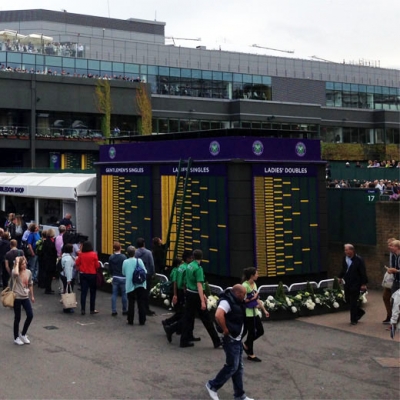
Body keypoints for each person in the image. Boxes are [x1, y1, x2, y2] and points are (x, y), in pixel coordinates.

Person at [205, 284, 254, 400]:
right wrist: (225, 329)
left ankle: (240, 395)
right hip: (231, 339)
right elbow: (218, 315)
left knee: (238, 367)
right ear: (237, 294)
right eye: (243, 295)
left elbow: (244, 303)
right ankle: (212, 385)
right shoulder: (226, 301)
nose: (244, 297)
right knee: (232, 366)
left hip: (237, 338)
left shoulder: (236, 300)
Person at [179, 249, 221, 348]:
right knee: (207, 319)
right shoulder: (198, 269)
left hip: (189, 293)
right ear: (202, 257)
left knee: (188, 318)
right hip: (196, 295)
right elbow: (199, 285)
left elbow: (187, 281)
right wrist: (203, 300)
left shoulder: (189, 266)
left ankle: (183, 340)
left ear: (193, 256)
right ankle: (216, 341)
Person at [242, 267, 269, 362]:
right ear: (252, 275)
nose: (258, 275)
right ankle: (251, 354)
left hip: (255, 312)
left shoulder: (255, 284)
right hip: (248, 313)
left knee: (260, 331)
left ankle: (246, 344)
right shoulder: (244, 286)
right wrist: (253, 298)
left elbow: (257, 299)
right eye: (256, 274)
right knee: (251, 332)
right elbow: (243, 300)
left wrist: (264, 310)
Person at [338, 244, 368, 325]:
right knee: (347, 299)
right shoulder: (344, 258)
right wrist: (340, 277)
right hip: (347, 281)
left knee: (353, 301)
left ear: (352, 250)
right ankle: (360, 312)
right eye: (345, 250)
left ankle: (353, 319)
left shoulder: (359, 260)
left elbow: (363, 272)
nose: (346, 252)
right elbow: (344, 269)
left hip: (356, 283)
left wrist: (363, 283)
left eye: (347, 250)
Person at [12, 256, 35, 345]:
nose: (24, 265)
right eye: (22, 264)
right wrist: (17, 262)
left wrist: (32, 296)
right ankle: (16, 337)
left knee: (30, 315)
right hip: (17, 297)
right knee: (17, 317)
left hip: (25, 297)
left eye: (25, 263)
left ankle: (23, 334)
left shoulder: (28, 272)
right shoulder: (15, 271)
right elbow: (16, 274)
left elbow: (30, 284)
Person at [122, 246, 147, 326]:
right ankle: (142, 320)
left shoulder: (125, 262)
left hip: (130, 285)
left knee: (131, 303)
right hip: (140, 284)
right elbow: (145, 271)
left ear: (127, 253)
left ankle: (130, 320)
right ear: (134, 253)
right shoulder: (139, 260)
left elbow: (123, 273)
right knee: (141, 302)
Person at [75, 241, 99, 315]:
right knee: (92, 292)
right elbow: (97, 265)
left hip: (83, 274)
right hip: (92, 274)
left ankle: (83, 309)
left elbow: (77, 263)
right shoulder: (94, 254)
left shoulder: (81, 255)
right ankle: (92, 309)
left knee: (83, 292)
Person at [135, 238, 156, 316]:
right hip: (147, 275)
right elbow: (151, 264)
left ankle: (141, 308)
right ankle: (146, 309)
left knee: (139, 292)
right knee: (146, 293)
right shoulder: (148, 252)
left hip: (138, 275)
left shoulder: (135, 253)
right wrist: (153, 273)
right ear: (144, 244)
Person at [108, 241, 127, 317]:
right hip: (123, 277)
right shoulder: (123, 257)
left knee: (114, 294)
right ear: (120, 248)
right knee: (124, 294)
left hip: (115, 277)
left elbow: (110, 268)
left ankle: (114, 310)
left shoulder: (111, 257)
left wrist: (112, 274)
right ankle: (124, 310)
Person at [383, 238, 397, 324]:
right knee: (385, 297)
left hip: (397, 280)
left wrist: (394, 270)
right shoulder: (391, 254)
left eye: (391, 245)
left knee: (395, 300)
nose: (389, 247)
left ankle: (394, 319)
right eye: (388, 245)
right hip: (391, 279)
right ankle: (389, 315)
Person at [60, 243, 76, 313]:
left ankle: (66, 306)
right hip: (67, 276)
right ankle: (68, 307)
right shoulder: (69, 259)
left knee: (66, 290)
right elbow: (68, 269)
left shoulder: (64, 256)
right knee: (69, 291)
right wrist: (69, 279)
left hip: (63, 275)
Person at [42, 229, 58, 294]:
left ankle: (49, 288)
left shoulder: (50, 240)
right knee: (48, 275)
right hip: (49, 260)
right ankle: (47, 289)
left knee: (50, 275)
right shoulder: (48, 241)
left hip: (50, 260)